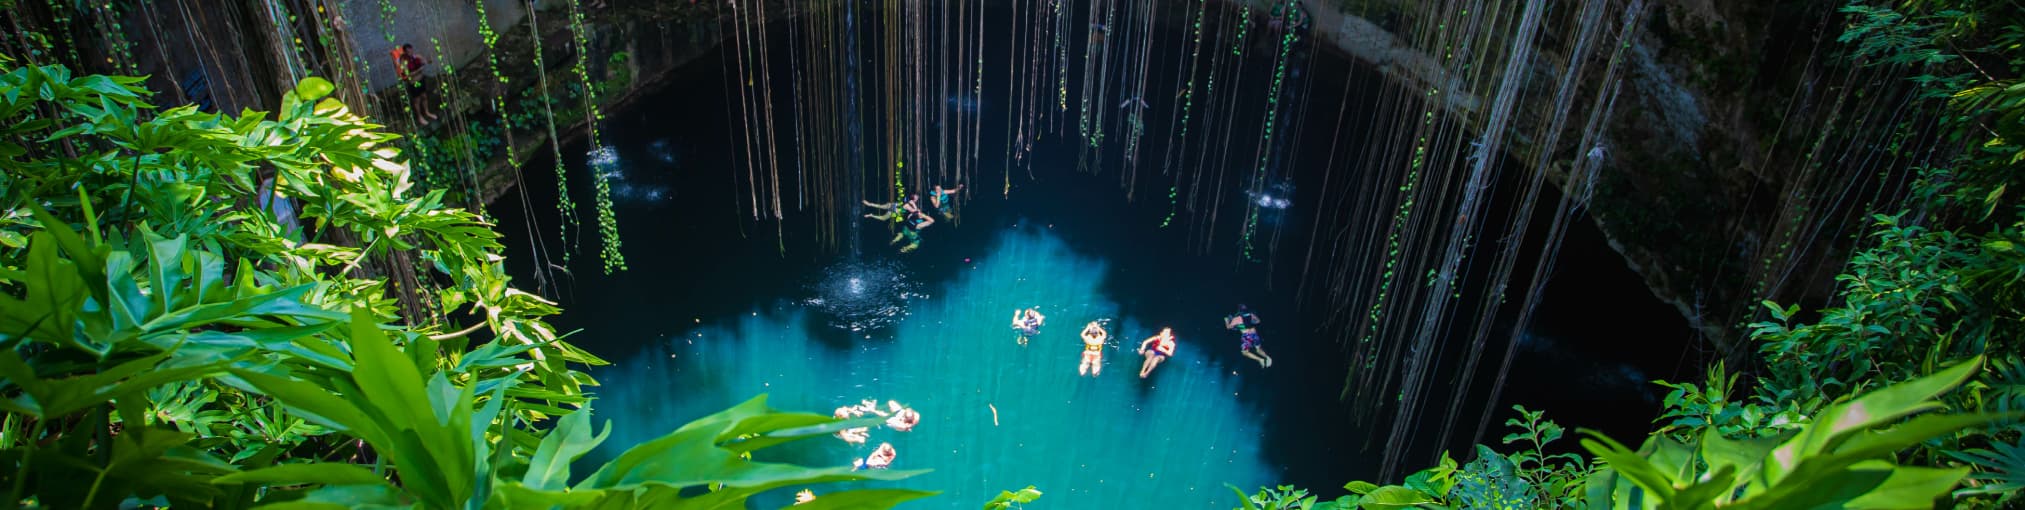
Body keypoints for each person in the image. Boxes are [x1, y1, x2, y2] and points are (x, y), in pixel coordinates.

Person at [391, 43, 438, 124]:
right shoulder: (403, 62)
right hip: (413, 83)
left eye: (411, 51)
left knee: (424, 96)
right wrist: (418, 71)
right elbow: (407, 75)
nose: (410, 53)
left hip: (421, 79)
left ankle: (427, 112)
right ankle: (420, 117)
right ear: (405, 52)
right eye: (408, 52)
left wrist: (429, 59)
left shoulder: (417, 56)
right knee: (417, 100)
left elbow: (425, 61)